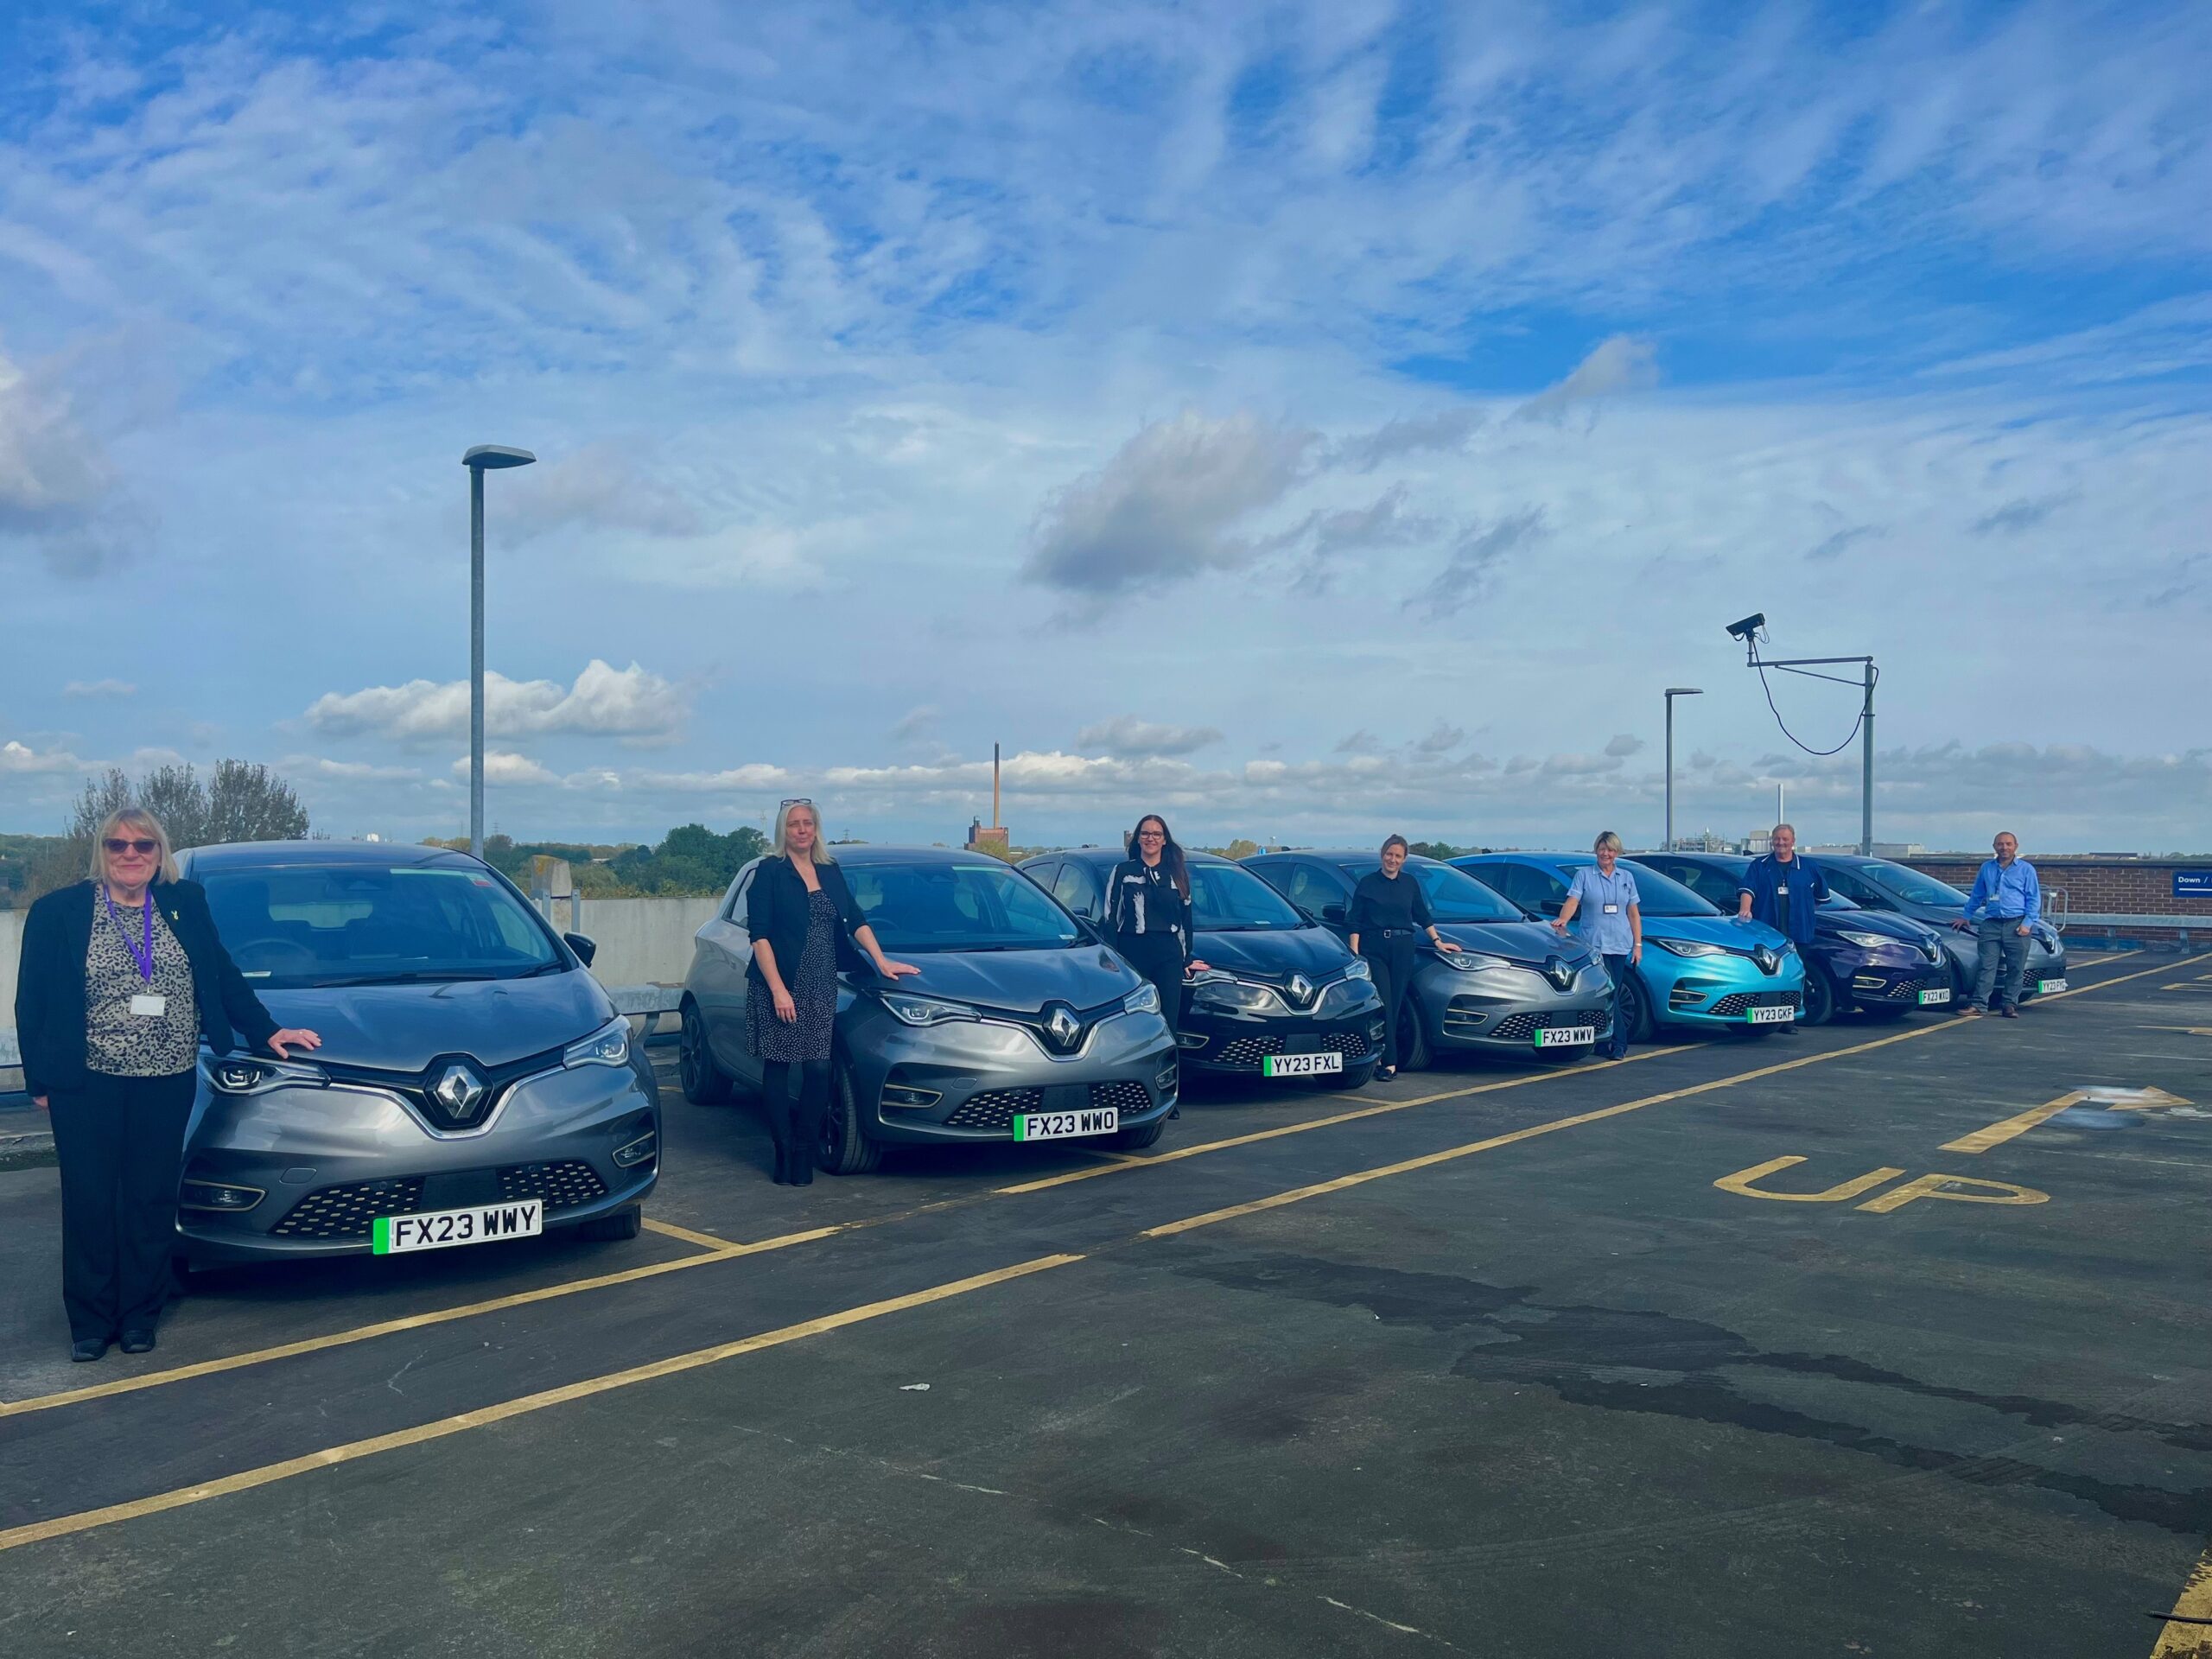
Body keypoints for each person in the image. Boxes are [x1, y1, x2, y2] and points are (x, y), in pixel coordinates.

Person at [13, 807, 321, 1363]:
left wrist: (268, 1030)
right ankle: (89, 1321)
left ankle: (139, 1318)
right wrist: (42, 1079)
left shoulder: (185, 905)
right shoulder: (59, 911)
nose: (131, 855)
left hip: (166, 1078)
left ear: (161, 854)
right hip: (86, 1083)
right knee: (90, 1200)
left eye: (144, 846)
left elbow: (221, 974)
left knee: (149, 1197)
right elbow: (31, 1000)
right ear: (101, 853)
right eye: (117, 845)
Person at [746, 799, 918, 1185]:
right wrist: (778, 990)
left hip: (820, 983)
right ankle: (783, 1150)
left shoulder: (830, 870)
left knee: (818, 1070)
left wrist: (881, 961)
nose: (802, 830)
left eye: (808, 823)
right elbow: (759, 936)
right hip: (781, 983)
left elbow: (855, 919)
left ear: (816, 828)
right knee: (778, 1066)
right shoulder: (769, 872)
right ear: (783, 831)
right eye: (794, 825)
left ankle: (804, 1149)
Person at [1346, 834, 1461, 1079]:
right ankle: (1388, 1062)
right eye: (1389, 854)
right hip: (1374, 947)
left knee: (1396, 1005)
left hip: (1402, 947)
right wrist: (1355, 955)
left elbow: (1422, 915)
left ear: (1404, 859)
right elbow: (1355, 921)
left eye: (1398, 856)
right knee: (1384, 1003)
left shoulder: (1409, 883)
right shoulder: (1367, 883)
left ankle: (1387, 1059)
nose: (1393, 860)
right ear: (1382, 854)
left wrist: (1438, 942)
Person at [1104, 815, 1211, 1064]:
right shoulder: (1123, 872)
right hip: (1132, 953)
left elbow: (1185, 920)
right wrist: (1112, 959)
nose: (1150, 838)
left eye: (1156, 834)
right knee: (1134, 1022)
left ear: (1164, 840)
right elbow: (1110, 917)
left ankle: (1168, 1091)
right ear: (1137, 838)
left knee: (1167, 1025)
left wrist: (1186, 958)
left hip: (1167, 956)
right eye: (1145, 833)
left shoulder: (1177, 874)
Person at [1552, 831, 1642, 1059]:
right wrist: (1564, 919)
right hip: (1594, 945)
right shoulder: (1584, 875)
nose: (1606, 854)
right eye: (1602, 849)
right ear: (1596, 851)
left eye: (1611, 850)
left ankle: (1613, 1042)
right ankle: (1611, 1042)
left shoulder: (1626, 877)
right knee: (1605, 993)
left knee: (1612, 992)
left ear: (1617, 852)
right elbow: (1573, 901)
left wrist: (1638, 944)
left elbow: (1633, 913)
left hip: (1619, 944)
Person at [1736, 823, 1826, 1036]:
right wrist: (1745, 909)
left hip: (1799, 934)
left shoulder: (1809, 867)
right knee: (1768, 976)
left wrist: (1804, 913)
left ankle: (1789, 1021)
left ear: (1793, 841)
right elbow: (1748, 890)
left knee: (1794, 977)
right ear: (1772, 842)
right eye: (1777, 839)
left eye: (1785, 839)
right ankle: (1763, 1018)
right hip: (1768, 935)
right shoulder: (1760, 866)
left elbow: (1820, 898)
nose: (1781, 843)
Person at [1953, 830, 2040, 1019]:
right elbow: (1977, 894)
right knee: (1986, 966)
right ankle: (1979, 1004)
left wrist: (2027, 923)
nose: (2004, 848)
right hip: (1991, 924)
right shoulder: (1987, 868)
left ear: (2016, 847)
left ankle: (2009, 1005)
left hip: (2017, 924)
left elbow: (2033, 899)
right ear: (1994, 847)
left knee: (2015, 967)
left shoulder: (2026, 869)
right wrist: (1966, 916)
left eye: (2008, 844)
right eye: (2000, 844)